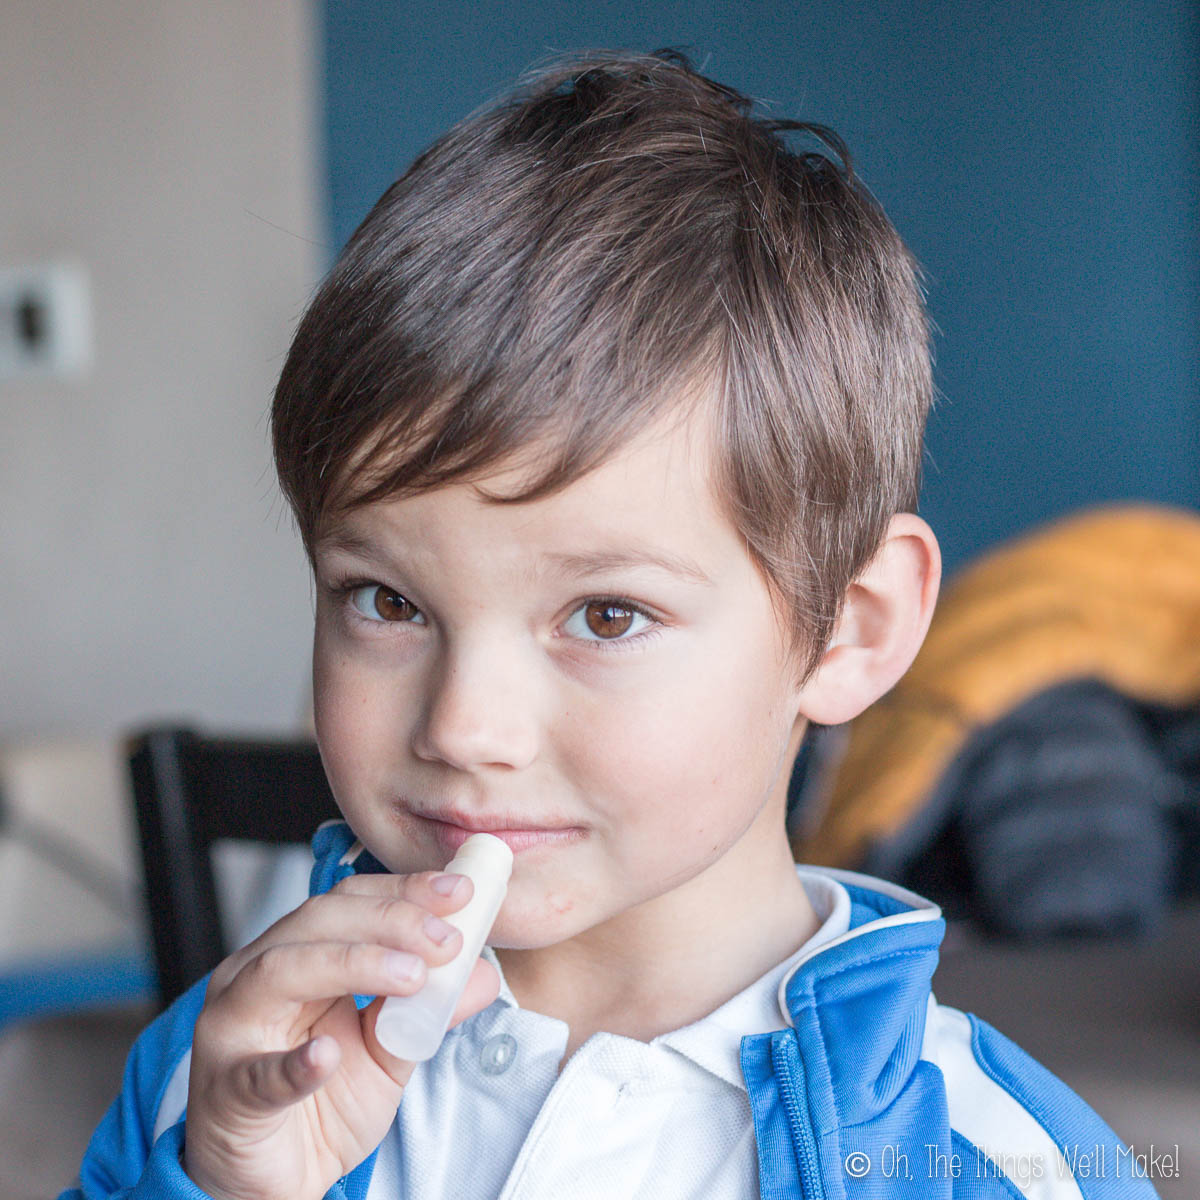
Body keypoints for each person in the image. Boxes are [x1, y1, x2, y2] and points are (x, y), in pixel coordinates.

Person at [64, 48, 1159, 1200]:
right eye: (389, 602)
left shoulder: (1002, 1167)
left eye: (606, 613)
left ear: (849, 630)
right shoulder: (229, 1075)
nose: (465, 728)